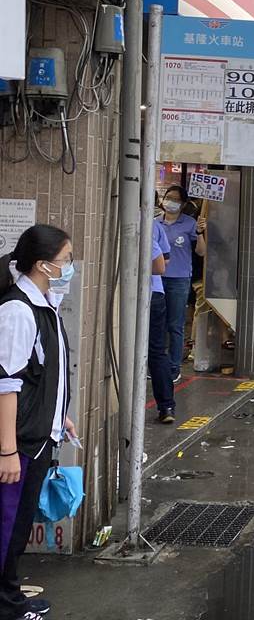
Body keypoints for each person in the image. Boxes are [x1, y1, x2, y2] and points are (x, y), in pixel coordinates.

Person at [0, 224, 77, 620]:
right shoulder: (17, 310)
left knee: (16, 529)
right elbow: (7, 385)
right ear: (43, 264)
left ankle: (11, 597)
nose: (69, 266)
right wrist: (8, 450)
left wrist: (58, 414)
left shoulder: (44, 304)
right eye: (65, 260)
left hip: (36, 436)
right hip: (19, 444)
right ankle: (8, 606)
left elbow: (43, 374)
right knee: (7, 528)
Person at [157, 186, 206, 383]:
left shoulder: (190, 224)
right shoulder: (155, 223)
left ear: (183, 204)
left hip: (179, 280)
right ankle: (157, 364)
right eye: (168, 198)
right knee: (157, 324)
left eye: (176, 199)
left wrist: (201, 232)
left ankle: (174, 366)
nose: (171, 202)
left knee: (175, 325)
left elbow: (201, 252)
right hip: (157, 279)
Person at [149, 220, 175, 424]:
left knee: (155, 352)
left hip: (148, 294)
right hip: (154, 292)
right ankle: (166, 406)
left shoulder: (140, 222)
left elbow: (160, 264)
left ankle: (166, 405)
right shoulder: (152, 223)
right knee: (156, 351)